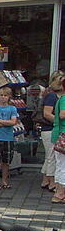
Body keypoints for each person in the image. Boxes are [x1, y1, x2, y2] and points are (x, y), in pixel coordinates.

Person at [0, 86, 19, 190]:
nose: (3, 97)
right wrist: (7, 122)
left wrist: (0, 121)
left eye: (5, 95)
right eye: (1, 95)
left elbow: (13, 122)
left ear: (9, 97)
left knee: (6, 161)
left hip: (8, 138)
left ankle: (5, 181)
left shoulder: (12, 109)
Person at [40, 71, 64, 193]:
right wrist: (58, 121)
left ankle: (45, 180)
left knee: (49, 156)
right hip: (49, 129)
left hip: (52, 128)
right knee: (52, 157)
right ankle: (51, 181)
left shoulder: (59, 96)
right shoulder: (51, 96)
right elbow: (46, 113)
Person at [51, 74, 65, 203]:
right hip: (62, 135)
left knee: (61, 164)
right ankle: (60, 193)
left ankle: (60, 192)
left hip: (60, 134)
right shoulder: (64, 99)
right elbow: (62, 114)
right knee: (61, 165)